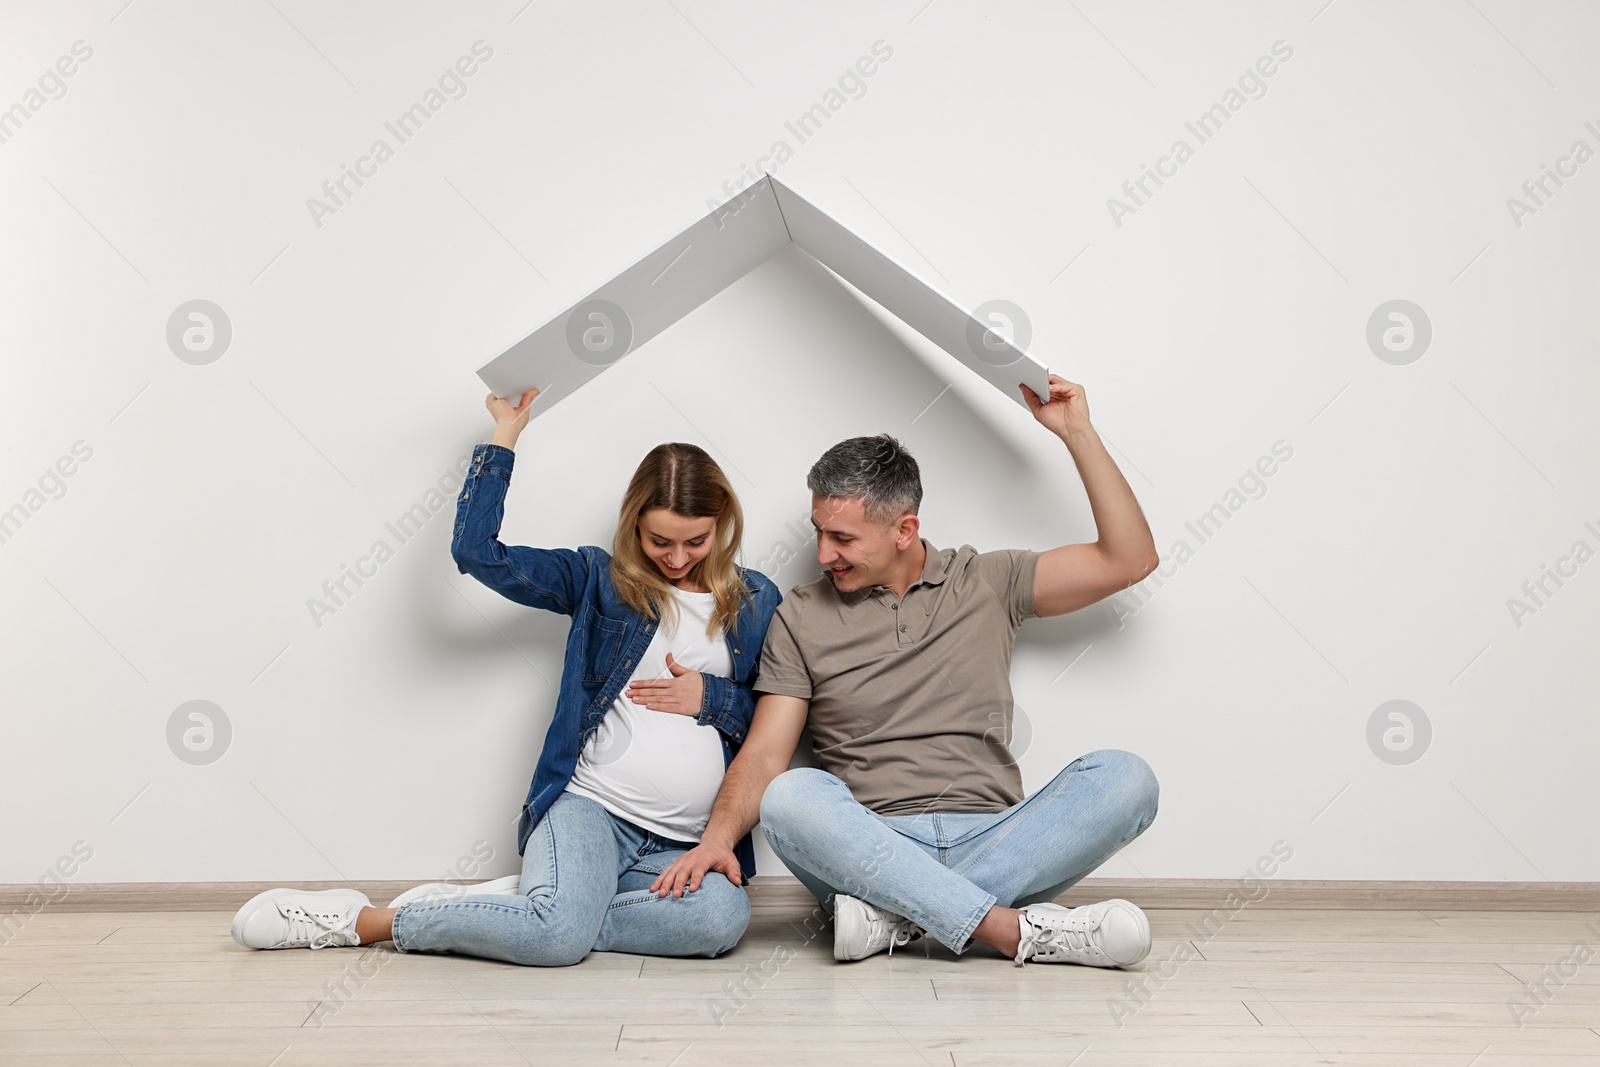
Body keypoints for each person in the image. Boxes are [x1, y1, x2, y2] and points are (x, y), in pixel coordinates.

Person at [231, 387, 780, 964]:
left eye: (696, 541)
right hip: (592, 810)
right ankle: (365, 921)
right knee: (558, 941)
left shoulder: (756, 600)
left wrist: (709, 696)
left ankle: (540, 906)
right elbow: (477, 553)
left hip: (688, 841)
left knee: (719, 919)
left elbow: (776, 725)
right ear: (632, 525)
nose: (675, 558)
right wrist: (506, 436)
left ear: (724, 524)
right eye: (658, 540)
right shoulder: (596, 579)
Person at [650, 373, 1162, 968]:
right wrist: (716, 840)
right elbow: (766, 756)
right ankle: (1009, 930)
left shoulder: (989, 580)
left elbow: (1130, 559)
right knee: (791, 795)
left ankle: (895, 921)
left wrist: (1078, 432)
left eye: (841, 538)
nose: (823, 554)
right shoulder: (802, 615)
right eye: (818, 532)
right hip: (870, 848)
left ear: (905, 530)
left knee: (1128, 778)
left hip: (995, 833)